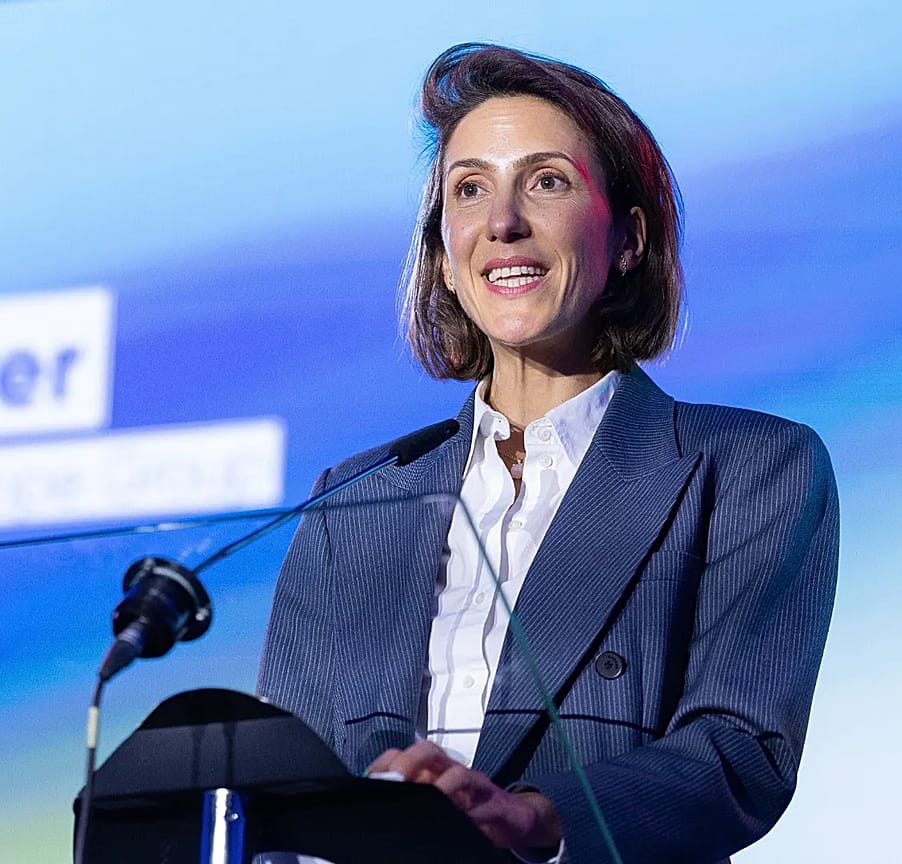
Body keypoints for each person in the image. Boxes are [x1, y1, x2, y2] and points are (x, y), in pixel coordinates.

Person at [258, 43, 838, 864]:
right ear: (446, 261)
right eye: (470, 190)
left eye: (547, 181)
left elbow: (740, 752)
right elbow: (291, 790)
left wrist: (533, 818)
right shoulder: (353, 499)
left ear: (629, 240)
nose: (503, 223)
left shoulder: (746, 468)